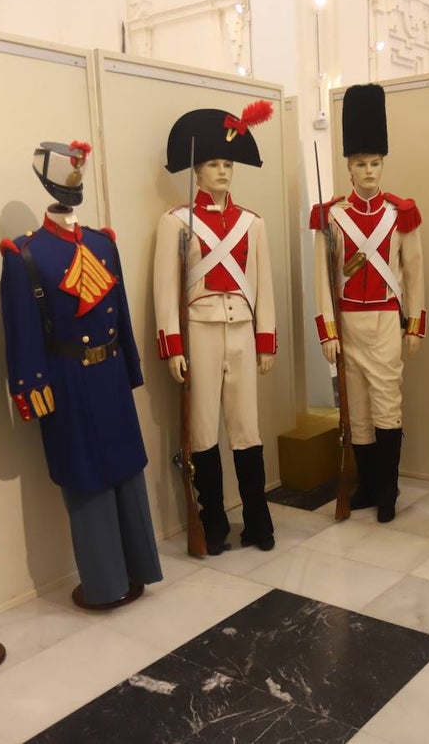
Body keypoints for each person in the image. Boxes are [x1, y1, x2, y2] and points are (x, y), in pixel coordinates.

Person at [0, 141, 162, 609]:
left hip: (109, 373)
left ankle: (139, 568)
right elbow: (22, 332)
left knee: (128, 471)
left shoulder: (102, 242)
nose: (72, 191)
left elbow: (122, 314)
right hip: (68, 381)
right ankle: (106, 581)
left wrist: (130, 364)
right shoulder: (25, 255)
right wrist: (31, 387)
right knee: (86, 478)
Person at [153, 102, 277, 554]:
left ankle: (258, 522)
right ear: (197, 171)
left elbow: (264, 287)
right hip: (200, 333)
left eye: (227, 164)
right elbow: (165, 291)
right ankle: (214, 527)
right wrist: (172, 346)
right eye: (213, 164)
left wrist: (266, 341)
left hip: (242, 330)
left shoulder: (252, 223)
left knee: (248, 430)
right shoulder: (175, 222)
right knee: (204, 431)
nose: (223, 172)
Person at [310, 83, 426, 523]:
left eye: (375, 162)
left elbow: (415, 272)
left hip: (384, 321)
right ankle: (367, 486)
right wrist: (327, 330)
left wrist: (414, 324)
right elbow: (322, 277)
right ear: (348, 167)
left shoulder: (401, 213)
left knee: (386, 404)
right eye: (361, 163)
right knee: (356, 408)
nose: (370, 171)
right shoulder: (331, 215)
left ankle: (388, 489)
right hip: (348, 323)